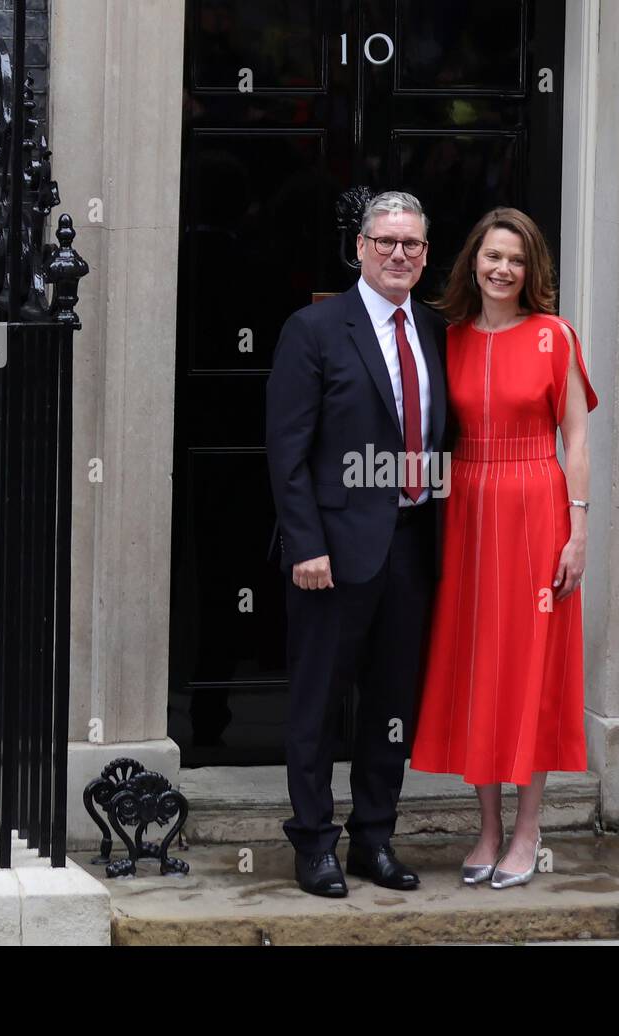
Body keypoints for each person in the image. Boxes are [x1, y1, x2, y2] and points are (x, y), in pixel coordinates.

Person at [265, 191, 448, 897]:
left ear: (426, 256)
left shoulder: (435, 329)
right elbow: (287, 449)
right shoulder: (313, 329)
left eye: (412, 245)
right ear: (361, 248)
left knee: (390, 707)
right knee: (317, 703)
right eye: (387, 241)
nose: (399, 254)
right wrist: (305, 545)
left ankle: (375, 836)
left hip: (410, 550)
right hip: (331, 554)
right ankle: (314, 843)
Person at [410, 207, 597, 889]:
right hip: (466, 506)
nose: (502, 269)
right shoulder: (448, 337)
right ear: (472, 262)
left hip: (537, 503)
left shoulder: (554, 335)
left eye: (515, 259)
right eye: (492, 255)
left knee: (529, 668)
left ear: (532, 270)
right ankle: (486, 826)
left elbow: (575, 437)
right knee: (479, 663)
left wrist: (578, 530)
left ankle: (527, 828)